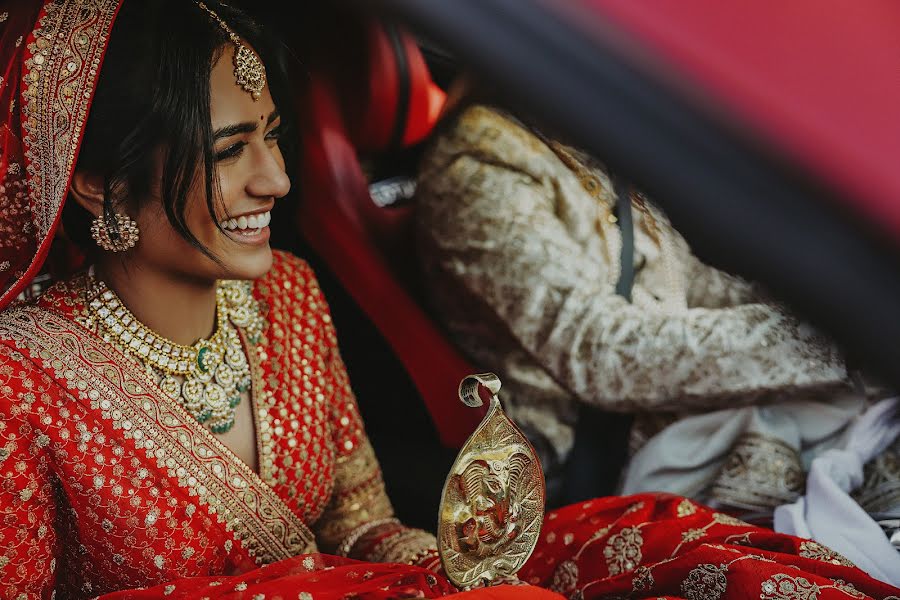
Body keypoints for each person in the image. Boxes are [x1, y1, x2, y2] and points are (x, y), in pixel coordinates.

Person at [0, 2, 898, 599]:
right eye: (233, 149)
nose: (277, 178)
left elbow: (358, 522)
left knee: (706, 560)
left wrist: (435, 572)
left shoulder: (292, 298)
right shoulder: (21, 382)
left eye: (273, 137)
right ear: (96, 183)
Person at [414, 102, 890, 513]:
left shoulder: (589, 148)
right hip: (599, 466)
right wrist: (829, 346)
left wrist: (838, 315)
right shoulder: (481, 163)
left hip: (681, 423)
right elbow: (600, 353)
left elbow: (693, 285)